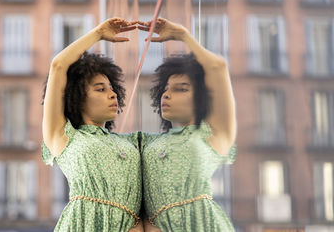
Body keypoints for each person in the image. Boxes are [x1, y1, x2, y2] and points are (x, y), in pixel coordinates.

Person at [41, 17, 144, 231]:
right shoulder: (64, 135)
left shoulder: (131, 142)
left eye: (111, 88)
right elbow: (58, 66)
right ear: (77, 98)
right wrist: (97, 33)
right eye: (100, 89)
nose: (112, 93)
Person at [137, 18, 237, 232]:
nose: (167, 94)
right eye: (165, 89)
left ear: (201, 98)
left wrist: (183, 36)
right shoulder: (151, 143)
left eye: (180, 89)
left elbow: (218, 67)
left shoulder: (212, 133)